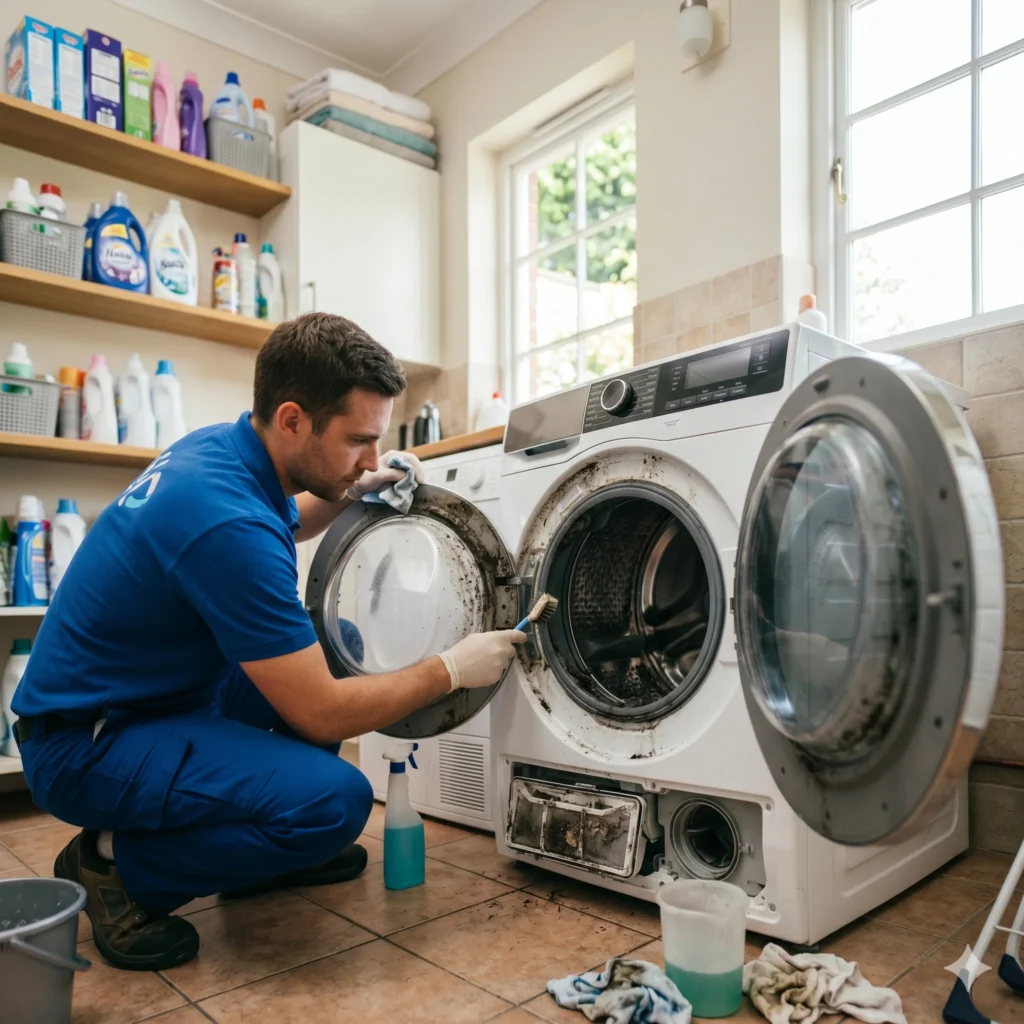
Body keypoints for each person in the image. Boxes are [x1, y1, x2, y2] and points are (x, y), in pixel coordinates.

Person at [13, 312, 525, 971]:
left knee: (330, 640)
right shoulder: (223, 521)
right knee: (334, 803)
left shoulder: (226, 454)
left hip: (139, 698)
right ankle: (115, 864)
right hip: (84, 743)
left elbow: (282, 522)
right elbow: (321, 711)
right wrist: (449, 670)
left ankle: (262, 854)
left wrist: (352, 487)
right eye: (357, 442)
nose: (371, 457)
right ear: (292, 420)